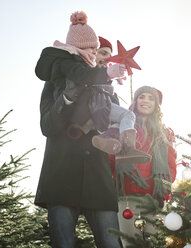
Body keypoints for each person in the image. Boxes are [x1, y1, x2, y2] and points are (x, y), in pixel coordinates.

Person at [33, 10, 137, 247]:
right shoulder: (56, 82)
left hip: (97, 179)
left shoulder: (106, 92)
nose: (99, 57)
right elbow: (47, 126)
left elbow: (113, 127)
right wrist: (68, 97)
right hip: (61, 174)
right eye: (97, 52)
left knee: (111, 243)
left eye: (104, 55)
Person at [108, 86, 178, 246]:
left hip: (154, 201)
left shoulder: (164, 133)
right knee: (131, 245)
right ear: (135, 100)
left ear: (156, 105)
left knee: (156, 244)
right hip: (127, 200)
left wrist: (162, 189)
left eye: (150, 98)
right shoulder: (122, 128)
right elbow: (110, 162)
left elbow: (171, 166)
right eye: (142, 97)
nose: (145, 101)